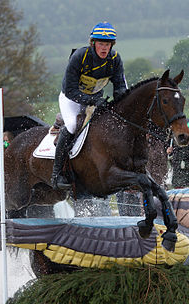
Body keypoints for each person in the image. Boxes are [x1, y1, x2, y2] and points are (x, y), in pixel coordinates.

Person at [51, 22, 127, 190]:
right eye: (101, 43)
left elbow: (120, 86)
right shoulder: (80, 57)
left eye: (107, 44)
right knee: (71, 126)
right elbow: (70, 90)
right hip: (71, 99)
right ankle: (57, 174)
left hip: (95, 98)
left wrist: (120, 101)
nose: (104, 48)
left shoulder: (114, 59)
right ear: (93, 43)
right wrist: (92, 101)